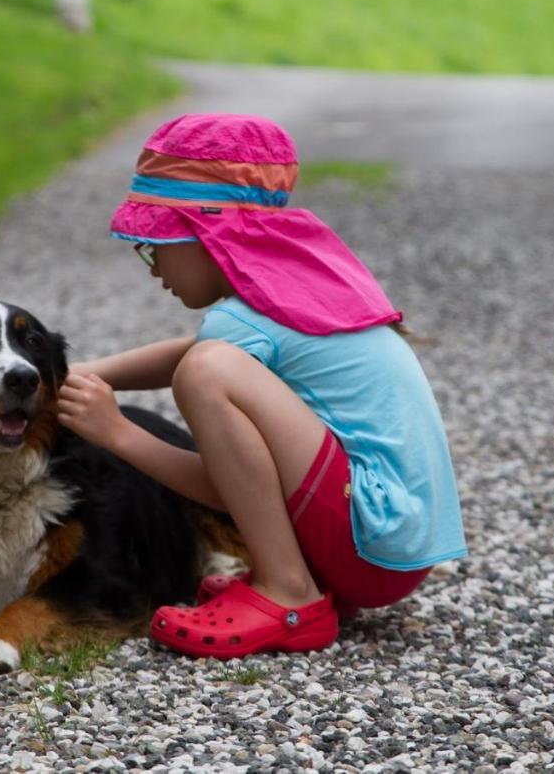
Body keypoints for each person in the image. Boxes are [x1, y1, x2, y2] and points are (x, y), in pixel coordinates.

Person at [57, 113, 466, 659]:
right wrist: (85, 374)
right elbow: (188, 351)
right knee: (206, 363)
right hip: (394, 546)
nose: (152, 268)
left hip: (370, 547)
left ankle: (287, 592)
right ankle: (300, 580)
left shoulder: (234, 334)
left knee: (207, 373)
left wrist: (118, 433)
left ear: (206, 234)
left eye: (155, 246)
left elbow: (230, 481)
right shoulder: (291, 293)